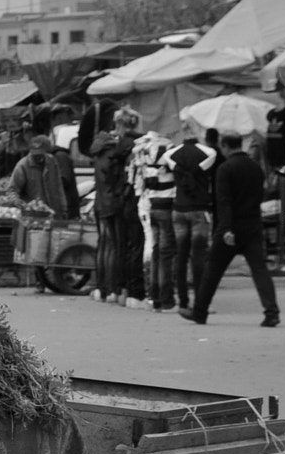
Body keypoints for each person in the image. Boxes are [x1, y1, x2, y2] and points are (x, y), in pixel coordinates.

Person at [185, 134, 281, 328]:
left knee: (213, 269)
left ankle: (200, 312)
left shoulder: (225, 169)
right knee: (260, 270)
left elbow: (224, 201)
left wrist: (226, 228)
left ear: (225, 146)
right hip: (253, 224)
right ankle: (272, 312)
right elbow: (260, 194)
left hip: (231, 227)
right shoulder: (255, 167)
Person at [90, 108, 146, 305]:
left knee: (104, 245)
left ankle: (101, 288)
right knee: (118, 246)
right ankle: (115, 289)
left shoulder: (99, 146)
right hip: (116, 201)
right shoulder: (119, 149)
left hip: (100, 201)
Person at [165, 128, 220, 316]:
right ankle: (200, 302)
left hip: (178, 208)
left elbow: (169, 160)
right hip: (199, 208)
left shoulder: (171, 154)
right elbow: (208, 166)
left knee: (181, 256)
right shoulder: (209, 153)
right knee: (198, 257)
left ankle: (182, 301)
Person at [132, 129, 178, 311]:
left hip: (149, 202)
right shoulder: (169, 149)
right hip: (166, 203)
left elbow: (137, 183)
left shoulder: (141, 150)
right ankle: (166, 298)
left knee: (155, 250)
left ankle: (153, 296)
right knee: (165, 253)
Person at [7, 134, 71, 219]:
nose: (38, 157)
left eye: (40, 154)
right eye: (35, 155)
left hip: (54, 213)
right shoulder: (23, 165)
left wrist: (64, 208)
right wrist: (16, 201)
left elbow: (59, 187)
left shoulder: (51, 161)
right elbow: (12, 190)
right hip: (33, 214)